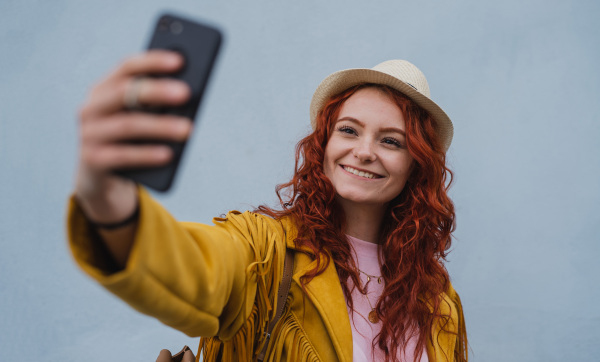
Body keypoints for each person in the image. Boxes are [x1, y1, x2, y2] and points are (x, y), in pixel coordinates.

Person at [68, 50, 468, 362]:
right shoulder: (267, 250)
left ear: (417, 164)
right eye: (348, 130)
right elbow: (190, 267)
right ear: (324, 144)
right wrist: (110, 204)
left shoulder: (438, 300)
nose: (364, 152)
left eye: (391, 141)